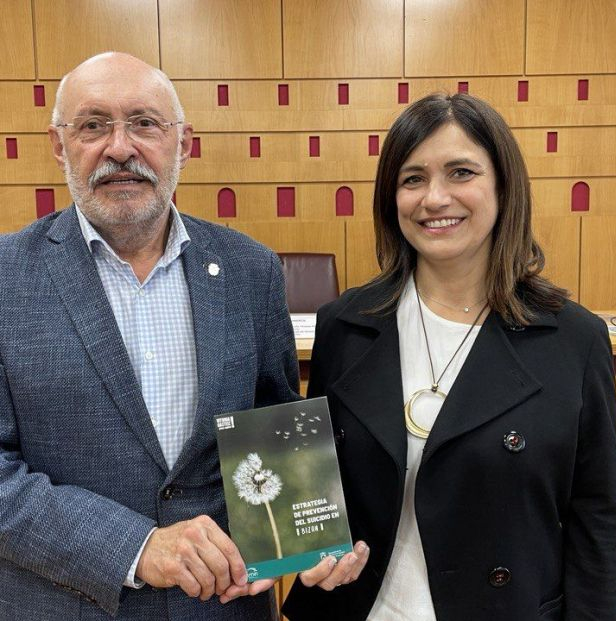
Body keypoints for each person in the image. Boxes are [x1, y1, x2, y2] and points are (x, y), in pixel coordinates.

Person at [0, 52, 366, 621]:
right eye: (93, 125)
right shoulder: (5, 277)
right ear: (58, 144)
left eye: (145, 123)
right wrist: (136, 547)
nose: (120, 147)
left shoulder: (251, 270)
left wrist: (305, 540)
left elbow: (269, 418)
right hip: (69, 604)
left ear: (184, 144)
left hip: (224, 605)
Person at [283, 93, 616, 621]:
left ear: (503, 186)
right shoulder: (344, 325)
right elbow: (317, 483)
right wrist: (307, 552)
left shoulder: (573, 340)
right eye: (412, 179)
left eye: (461, 172)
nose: (434, 198)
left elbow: (600, 516)